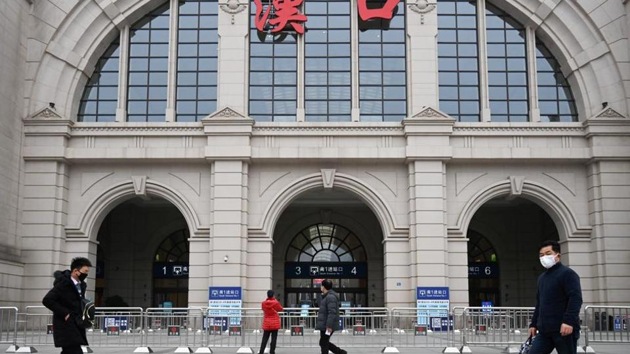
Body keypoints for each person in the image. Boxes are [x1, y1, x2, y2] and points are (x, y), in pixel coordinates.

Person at [528, 240, 583, 354]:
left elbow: (575, 299)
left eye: (548, 253)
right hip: (544, 331)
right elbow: (539, 303)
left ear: (557, 255)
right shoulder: (542, 278)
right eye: (541, 255)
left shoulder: (568, 274)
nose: (544, 257)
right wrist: (533, 324)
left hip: (564, 330)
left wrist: (568, 322)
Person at [42, 257, 93, 354]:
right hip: (65, 324)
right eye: (85, 271)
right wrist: (65, 313)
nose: (86, 274)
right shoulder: (63, 284)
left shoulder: (81, 285)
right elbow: (47, 300)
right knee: (74, 351)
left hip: (76, 322)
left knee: (70, 350)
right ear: (76, 271)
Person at [316, 279, 347, 354]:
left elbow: (332, 312)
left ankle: (341, 352)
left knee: (323, 342)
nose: (320, 287)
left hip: (327, 325)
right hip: (325, 324)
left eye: (321, 286)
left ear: (324, 287)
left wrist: (329, 326)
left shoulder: (330, 297)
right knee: (323, 342)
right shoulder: (326, 296)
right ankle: (341, 352)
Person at [258, 290, 283, 354]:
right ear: (273, 295)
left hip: (267, 323)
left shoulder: (263, 303)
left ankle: (261, 351)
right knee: (274, 339)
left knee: (264, 339)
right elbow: (280, 309)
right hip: (275, 324)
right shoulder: (276, 302)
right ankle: (272, 351)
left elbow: (263, 309)